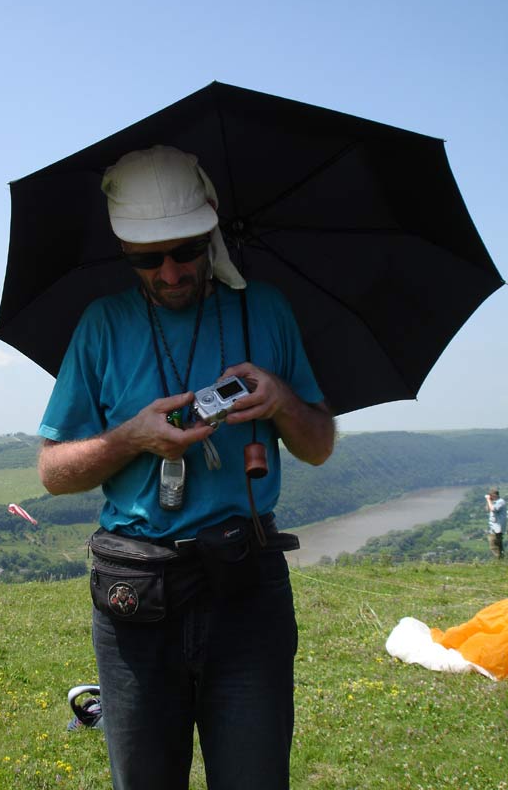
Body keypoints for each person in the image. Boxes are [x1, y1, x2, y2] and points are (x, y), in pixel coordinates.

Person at [37, 145, 335, 790]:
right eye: (148, 259)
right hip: (137, 591)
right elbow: (54, 473)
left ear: (211, 235)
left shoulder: (265, 310)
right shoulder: (103, 325)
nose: (170, 273)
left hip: (246, 582)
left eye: (186, 251)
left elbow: (318, 446)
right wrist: (131, 439)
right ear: (124, 250)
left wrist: (282, 401)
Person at [485, 487, 506, 559]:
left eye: (491, 495)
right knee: (498, 546)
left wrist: (488, 499)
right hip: (494, 528)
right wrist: (489, 501)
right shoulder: (494, 502)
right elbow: (487, 509)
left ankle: (499, 560)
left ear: (494, 495)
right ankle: (501, 560)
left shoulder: (500, 502)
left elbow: (493, 509)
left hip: (497, 529)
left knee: (493, 546)